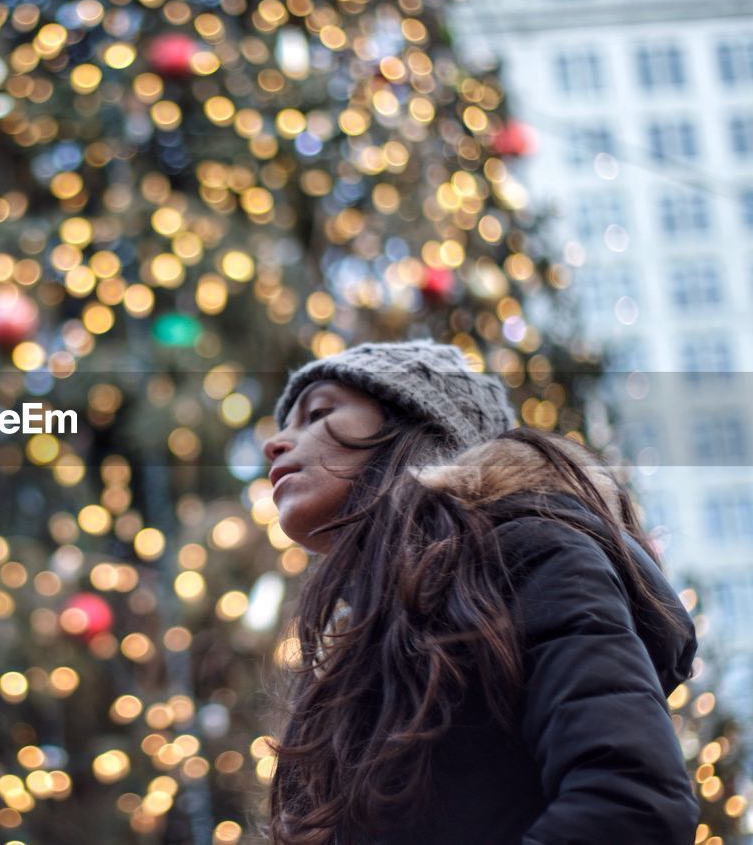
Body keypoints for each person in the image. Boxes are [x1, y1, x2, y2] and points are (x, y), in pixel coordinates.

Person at [259, 339, 699, 845]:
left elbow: (632, 808)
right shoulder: (358, 654)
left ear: (419, 426)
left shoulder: (530, 555)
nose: (276, 443)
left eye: (318, 412)